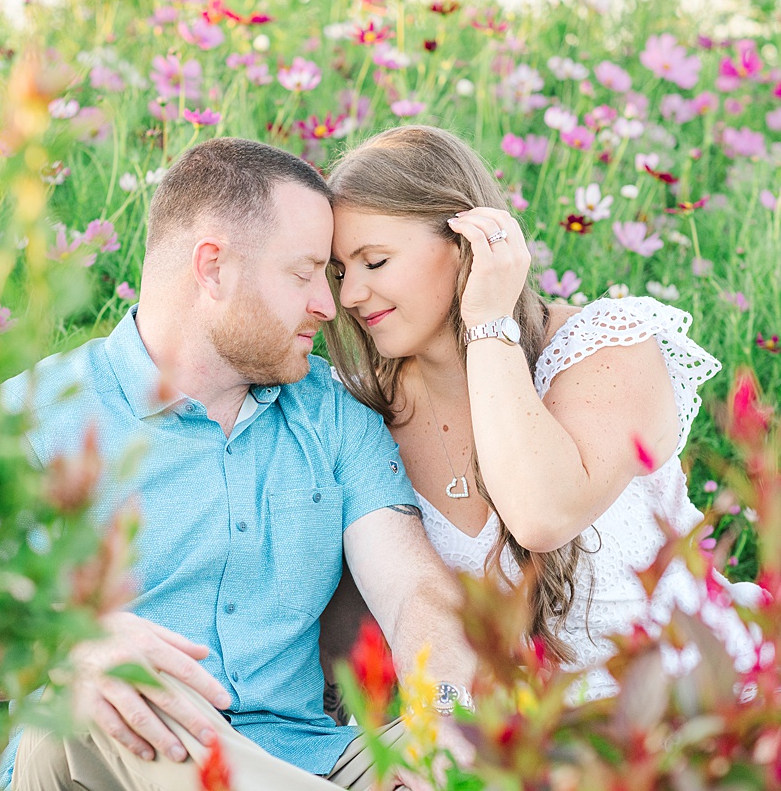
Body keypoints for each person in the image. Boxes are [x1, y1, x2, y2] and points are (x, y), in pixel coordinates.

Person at [0, 137, 476, 791]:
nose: (328, 306)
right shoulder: (31, 416)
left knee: (492, 755)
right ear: (214, 267)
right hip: (110, 754)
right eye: (304, 273)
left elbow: (414, 592)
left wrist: (447, 717)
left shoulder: (334, 417)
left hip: (305, 759)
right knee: (108, 698)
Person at [321, 124, 759, 701]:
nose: (349, 295)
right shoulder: (359, 408)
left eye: (373, 262)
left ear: (467, 246)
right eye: (339, 271)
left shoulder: (608, 346)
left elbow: (541, 515)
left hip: (688, 717)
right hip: (510, 754)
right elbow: (348, 638)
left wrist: (486, 322)